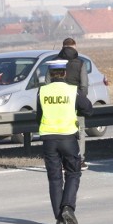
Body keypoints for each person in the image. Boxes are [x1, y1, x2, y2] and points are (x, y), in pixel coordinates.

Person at [36, 60, 93, 224]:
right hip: (68, 137)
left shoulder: (42, 91)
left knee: (54, 178)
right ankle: (68, 207)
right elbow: (89, 109)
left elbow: (38, 116)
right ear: (65, 73)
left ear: (50, 74)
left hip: (48, 138)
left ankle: (59, 219)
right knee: (73, 173)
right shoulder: (72, 91)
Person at [46, 38, 90, 170]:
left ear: (63, 47)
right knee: (80, 130)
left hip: (57, 104)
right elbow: (84, 86)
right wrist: (80, 101)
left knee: (60, 131)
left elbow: (47, 84)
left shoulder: (54, 62)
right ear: (74, 47)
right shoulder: (80, 63)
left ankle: (62, 160)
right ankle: (80, 159)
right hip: (75, 102)